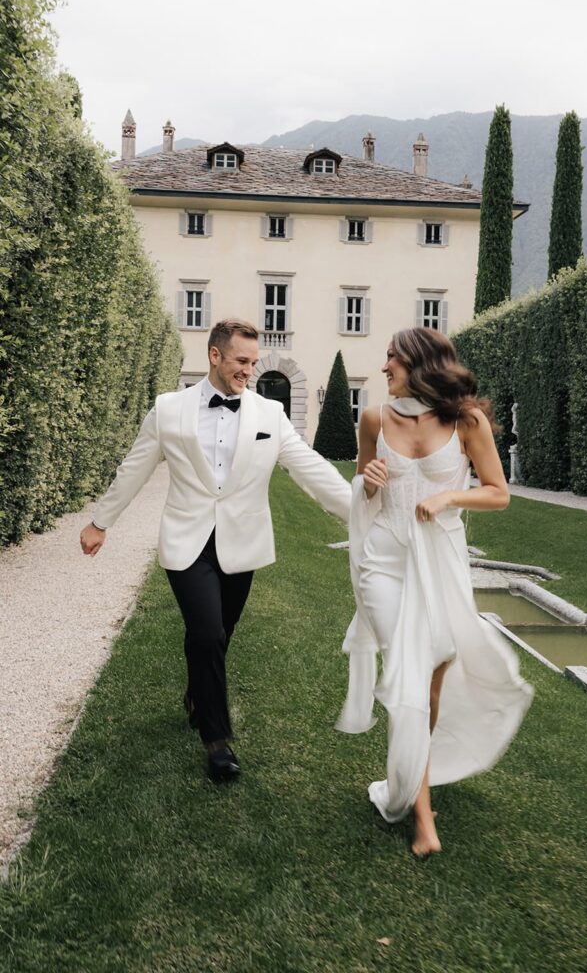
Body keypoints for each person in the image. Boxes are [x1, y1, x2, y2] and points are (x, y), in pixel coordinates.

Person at [80, 318, 351, 781]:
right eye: (242, 361)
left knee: (217, 635)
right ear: (215, 356)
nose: (250, 369)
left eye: (253, 361)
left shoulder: (269, 414)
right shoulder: (168, 410)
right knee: (206, 634)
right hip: (188, 542)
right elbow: (135, 467)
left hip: (241, 544)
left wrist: (362, 513)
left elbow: (310, 468)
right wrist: (100, 521)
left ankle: (196, 694)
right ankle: (218, 743)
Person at [336, 327, 533, 857]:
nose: (383, 369)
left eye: (391, 359)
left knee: (429, 685)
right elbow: (362, 488)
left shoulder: (468, 422)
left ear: (419, 364)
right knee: (407, 669)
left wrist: (449, 496)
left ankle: (411, 775)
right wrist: (370, 483)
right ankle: (421, 814)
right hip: (384, 562)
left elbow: (498, 493)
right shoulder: (374, 419)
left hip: (440, 563)